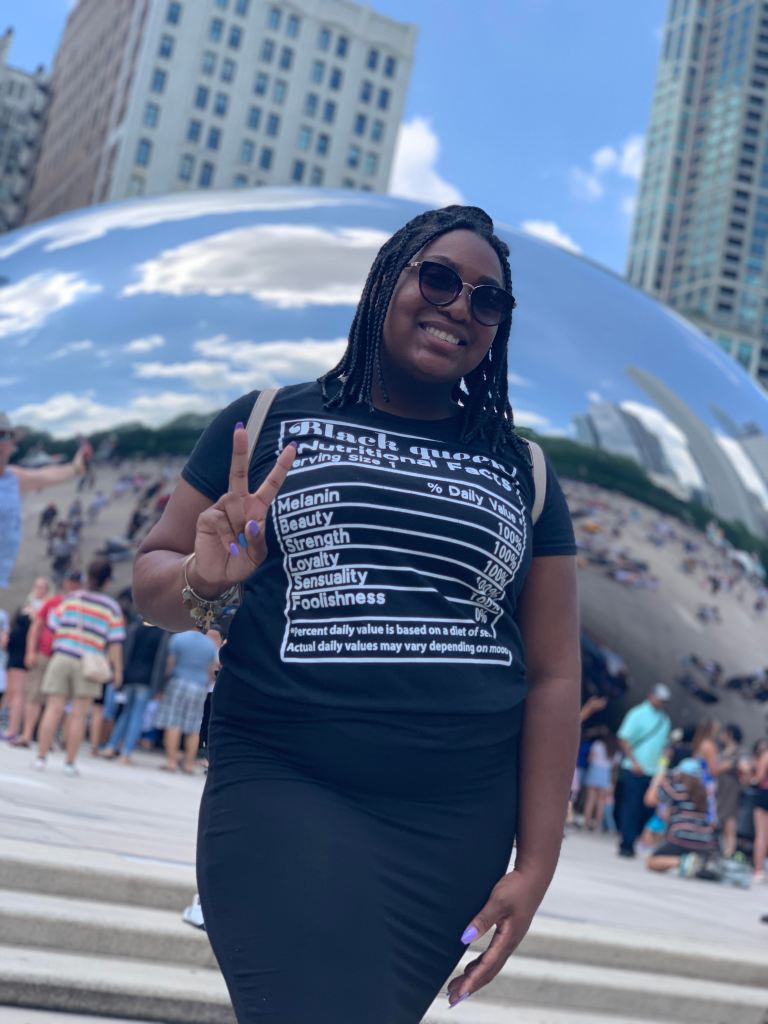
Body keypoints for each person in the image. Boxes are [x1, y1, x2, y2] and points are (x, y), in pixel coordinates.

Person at [133, 205, 581, 1022]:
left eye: (487, 299)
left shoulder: (524, 469)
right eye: (438, 279)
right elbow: (151, 580)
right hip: (288, 783)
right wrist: (205, 577)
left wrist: (537, 863)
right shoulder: (268, 420)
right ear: (386, 282)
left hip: (454, 826)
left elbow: (553, 675)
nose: (459, 306)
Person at [35, 558, 125, 776]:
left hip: (62, 657)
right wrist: (117, 671)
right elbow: (115, 642)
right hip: (89, 663)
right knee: (79, 714)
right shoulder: (111, 607)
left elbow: (53, 625)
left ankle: (41, 757)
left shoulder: (71, 599)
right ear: (107, 580)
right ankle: (69, 762)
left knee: (53, 709)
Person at [0, 412, 87, 589]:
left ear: (12, 444)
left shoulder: (13, 478)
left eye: (3, 435)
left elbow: (47, 474)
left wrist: (76, 468)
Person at [13, 572, 83, 749]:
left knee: (55, 700)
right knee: (34, 695)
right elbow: (36, 626)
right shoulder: (54, 602)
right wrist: (31, 651)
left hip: (63, 656)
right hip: (45, 654)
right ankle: (27, 734)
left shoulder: (82, 606)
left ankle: (46, 738)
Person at [100, 594, 170, 765]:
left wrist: (121, 675)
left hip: (130, 676)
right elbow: (161, 662)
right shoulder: (162, 633)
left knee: (125, 712)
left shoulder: (135, 627)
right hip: (147, 680)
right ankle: (126, 752)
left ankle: (111, 746)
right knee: (138, 715)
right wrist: (159, 687)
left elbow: (126, 652)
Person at [615, 683, 672, 857]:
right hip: (634, 769)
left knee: (647, 809)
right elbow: (624, 738)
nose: (661, 703)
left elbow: (664, 748)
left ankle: (638, 839)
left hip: (653, 772)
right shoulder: (638, 713)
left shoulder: (665, 720)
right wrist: (634, 762)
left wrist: (662, 768)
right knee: (631, 807)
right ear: (651, 696)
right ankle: (626, 843)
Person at [644, 758, 716, 874]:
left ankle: (683, 861)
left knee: (652, 862)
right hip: (704, 841)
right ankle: (694, 863)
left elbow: (649, 800)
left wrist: (656, 781)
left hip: (681, 838)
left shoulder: (676, 788)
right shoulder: (704, 793)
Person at [0, 578, 50, 741]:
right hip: (13, 651)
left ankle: (13, 730)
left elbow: (39, 630)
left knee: (19, 693)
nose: (38, 589)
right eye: (36, 586)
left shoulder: (44, 608)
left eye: (42, 587)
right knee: (10, 692)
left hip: (24, 653)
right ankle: (9, 726)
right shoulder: (27, 605)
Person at [715, 723, 744, 859]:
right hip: (719, 789)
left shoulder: (738, 752)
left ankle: (729, 851)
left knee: (729, 821)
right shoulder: (722, 751)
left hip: (731, 790)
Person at [752, 739, 768, 883]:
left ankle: (758, 870)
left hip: (764, 794)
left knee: (761, 835)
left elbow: (759, 778)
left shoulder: (766, 755)